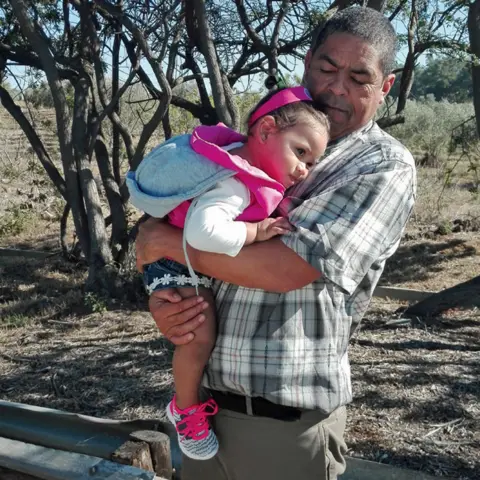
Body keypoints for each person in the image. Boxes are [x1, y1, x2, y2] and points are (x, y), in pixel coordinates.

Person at [135, 6, 416, 480]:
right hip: (202, 406)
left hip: (283, 424)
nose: (337, 87)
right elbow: (190, 214)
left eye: (359, 77)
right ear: (306, 64)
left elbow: (286, 269)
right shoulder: (263, 143)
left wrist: (167, 242)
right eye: (327, 68)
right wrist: (167, 297)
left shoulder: (382, 166)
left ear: (384, 88)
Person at [127, 86, 330, 460]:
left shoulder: (239, 165)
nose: (304, 169)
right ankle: (185, 408)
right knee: (197, 336)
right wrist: (255, 232)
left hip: (179, 258)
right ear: (266, 130)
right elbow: (202, 232)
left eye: (312, 162)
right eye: (300, 152)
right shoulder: (236, 182)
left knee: (196, 329)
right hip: (177, 263)